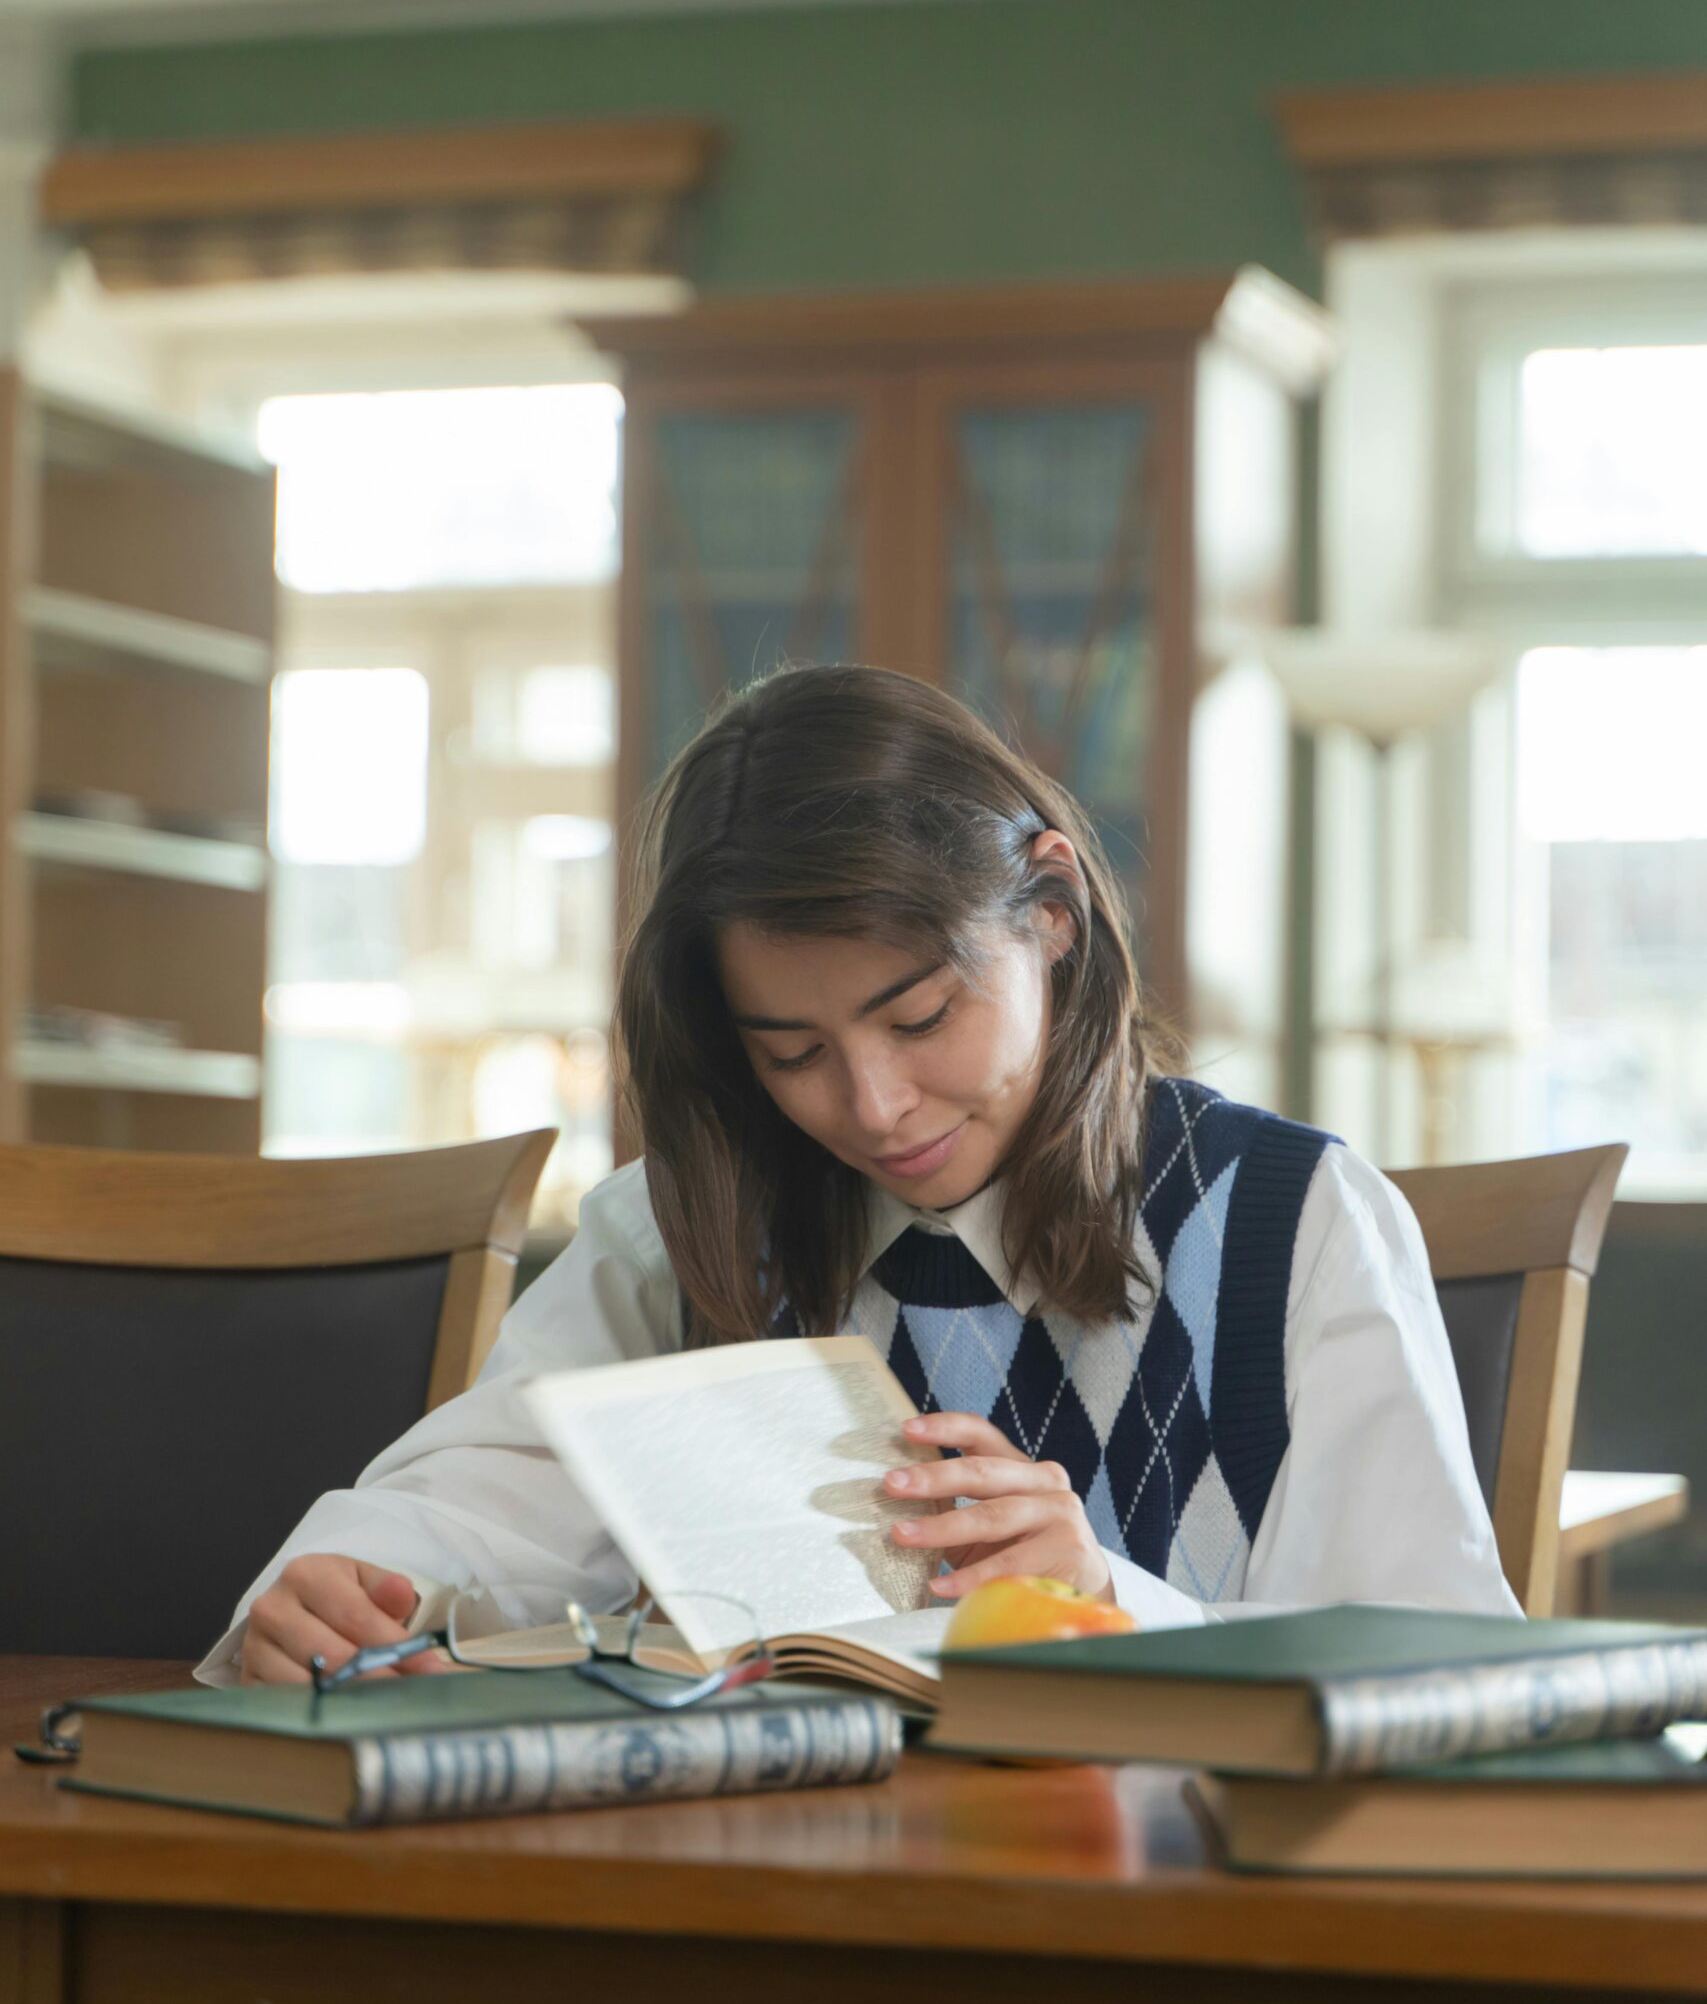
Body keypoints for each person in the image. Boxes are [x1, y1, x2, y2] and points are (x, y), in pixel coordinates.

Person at [209, 660, 1513, 1692]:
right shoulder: (686, 1230)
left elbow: (1435, 1665)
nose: (875, 1108)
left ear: (1052, 914)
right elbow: (482, 1505)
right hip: (789, 1916)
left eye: (921, 1016)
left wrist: (1111, 1604)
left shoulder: (1293, 1221)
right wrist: (349, 1580)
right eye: (793, 1051)